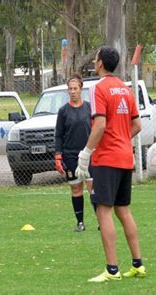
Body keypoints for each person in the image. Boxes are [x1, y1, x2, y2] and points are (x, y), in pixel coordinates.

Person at [75, 46, 146, 282]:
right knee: (123, 210)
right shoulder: (125, 89)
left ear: (100, 63)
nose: (94, 62)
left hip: (107, 160)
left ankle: (112, 270)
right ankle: (138, 264)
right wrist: (121, 140)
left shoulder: (99, 88)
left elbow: (100, 125)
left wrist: (86, 153)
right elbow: (137, 125)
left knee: (103, 211)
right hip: (126, 157)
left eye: (95, 59)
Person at [55, 73, 95, 232]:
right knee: (76, 188)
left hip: (89, 155)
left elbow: (97, 129)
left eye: (75, 88)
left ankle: (102, 221)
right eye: (70, 89)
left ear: (81, 89)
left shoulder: (89, 108)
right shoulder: (63, 111)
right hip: (71, 156)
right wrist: (58, 155)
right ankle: (80, 223)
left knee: (93, 188)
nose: (72, 91)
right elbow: (58, 135)